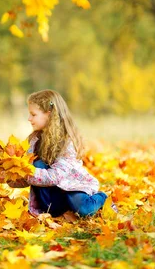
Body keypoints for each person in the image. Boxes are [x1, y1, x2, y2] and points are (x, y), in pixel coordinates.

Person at [9, 89, 112, 218]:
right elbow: (28, 176)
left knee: (85, 210)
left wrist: (29, 170)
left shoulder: (66, 141)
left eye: (33, 114)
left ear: (49, 114)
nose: (29, 119)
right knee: (38, 163)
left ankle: (103, 198)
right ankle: (58, 210)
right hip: (53, 195)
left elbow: (55, 176)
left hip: (72, 186)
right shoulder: (33, 141)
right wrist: (11, 176)